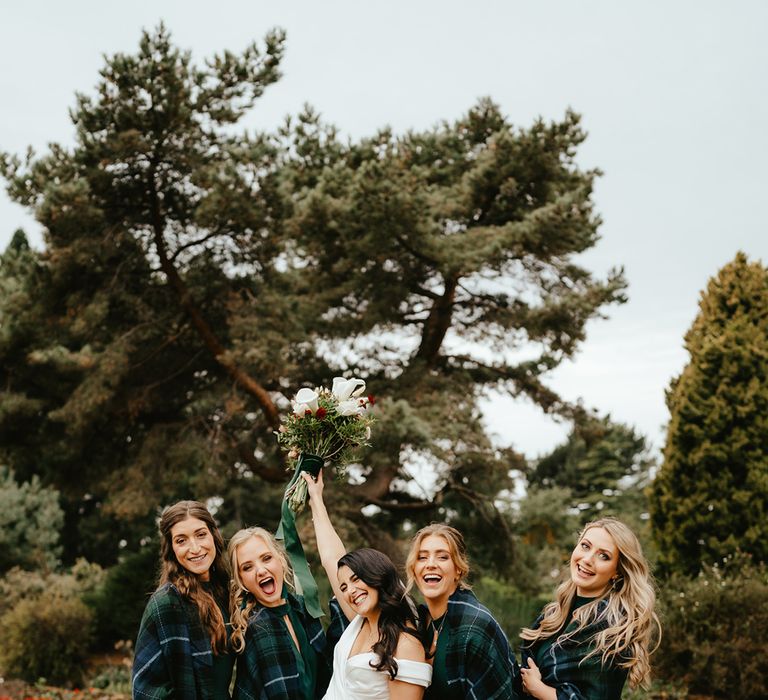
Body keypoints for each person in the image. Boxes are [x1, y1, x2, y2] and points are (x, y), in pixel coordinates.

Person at [302, 471, 432, 700]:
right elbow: (332, 558)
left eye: (356, 579)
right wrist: (316, 498)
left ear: (377, 576)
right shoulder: (359, 622)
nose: (350, 591)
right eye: (343, 587)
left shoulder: (406, 644)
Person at [519, 517, 661, 700]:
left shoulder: (612, 630)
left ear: (617, 571)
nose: (587, 559)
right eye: (585, 546)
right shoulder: (554, 613)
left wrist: (539, 690)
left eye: (604, 556)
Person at [405, 523, 520, 700]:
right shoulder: (418, 622)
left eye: (442, 557)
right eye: (422, 557)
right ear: (414, 569)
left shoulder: (476, 626)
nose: (430, 564)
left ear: (458, 569)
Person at [132, 500, 234, 700]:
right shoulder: (168, 602)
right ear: (171, 548)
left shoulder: (226, 591)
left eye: (200, 534)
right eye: (181, 540)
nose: (195, 548)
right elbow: (144, 691)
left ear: (214, 536)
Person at [228, 526, 340, 699]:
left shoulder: (302, 608)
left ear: (280, 559)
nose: (261, 570)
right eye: (248, 567)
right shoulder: (259, 627)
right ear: (241, 580)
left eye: (266, 558)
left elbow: (330, 666)